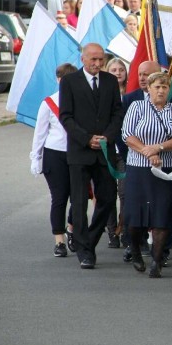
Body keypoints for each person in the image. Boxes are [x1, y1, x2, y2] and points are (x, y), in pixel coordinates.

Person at [58, 43, 125, 269]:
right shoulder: (69, 82)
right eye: (93, 60)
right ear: (83, 58)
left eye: (100, 60)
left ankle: (88, 240)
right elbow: (66, 117)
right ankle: (85, 252)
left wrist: (107, 136)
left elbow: (117, 112)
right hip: (80, 151)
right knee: (78, 202)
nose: (97, 64)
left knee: (107, 198)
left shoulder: (109, 81)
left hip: (105, 151)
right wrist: (87, 139)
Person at [121, 72, 172, 278]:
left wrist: (159, 147)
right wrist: (148, 153)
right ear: (148, 88)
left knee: (162, 215)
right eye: (157, 86)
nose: (161, 90)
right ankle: (136, 252)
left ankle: (157, 261)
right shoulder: (137, 107)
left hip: (165, 169)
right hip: (138, 168)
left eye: (165, 87)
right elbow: (128, 135)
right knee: (135, 216)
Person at [30, 63, 78, 258]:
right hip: (54, 154)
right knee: (59, 198)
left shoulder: (80, 101)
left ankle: (72, 229)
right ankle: (59, 240)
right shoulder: (49, 103)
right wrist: (36, 157)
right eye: (62, 79)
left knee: (78, 196)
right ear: (58, 80)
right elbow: (39, 133)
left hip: (77, 153)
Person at [103, 57, 128, 248]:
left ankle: (124, 227)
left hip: (126, 150)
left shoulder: (131, 95)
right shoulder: (103, 94)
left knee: (125, 192)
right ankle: (112, 231)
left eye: (121, 69)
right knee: (107, 193)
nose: (118, 72)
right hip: (108, 149)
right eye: (114, 70)